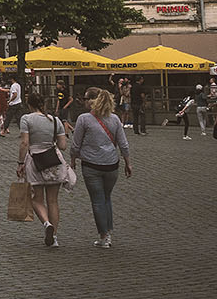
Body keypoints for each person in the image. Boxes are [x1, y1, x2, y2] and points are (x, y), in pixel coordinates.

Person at [69, 87, 132, 248]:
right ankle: (108, 231)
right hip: (112, 165)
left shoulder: (84, 119)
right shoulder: (115, 119)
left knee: (97, 200)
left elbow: (76, 144)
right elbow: (123, 143)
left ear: (91, 101)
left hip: (91, 165)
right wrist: (127, 162)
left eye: (85, 99)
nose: (84, 102)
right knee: (106, 197)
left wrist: (73, 159)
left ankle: (104, 236)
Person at [17, 91, 71, 248]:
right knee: (53, 200)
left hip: (35, 161)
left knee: (36, 198)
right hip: (53, 161)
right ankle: (54, 237)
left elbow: (24, 143)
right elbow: (63, 146)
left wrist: (20, 162)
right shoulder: (55, 121)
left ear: (29, 104)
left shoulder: (26, 119)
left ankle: (47, 224)